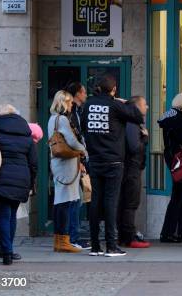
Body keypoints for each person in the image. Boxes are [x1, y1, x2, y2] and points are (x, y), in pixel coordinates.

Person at [81, 75, 144, 257]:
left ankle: (95, 246)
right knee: (110, 202)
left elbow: (84, 127)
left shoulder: (88, 105)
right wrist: (125, 103)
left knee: (95, 202)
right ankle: (111, 246)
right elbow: (138, 116)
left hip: (95, 158)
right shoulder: (116, 105)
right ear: (114, 89)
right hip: (114, 161)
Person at [0, 104, 37, 265]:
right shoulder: (26, 134)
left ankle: (7, 252)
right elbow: (33, 163)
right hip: (20, 180)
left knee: (3, 216)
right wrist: (31, 183)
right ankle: (6, 249)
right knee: (11, 216)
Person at [48, 90, 88, 254]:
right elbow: (71, 141)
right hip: (67, 165)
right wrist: (84, 150)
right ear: (64, 103)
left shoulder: (52, 119)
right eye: (70, 102)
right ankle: (64, 240)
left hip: (58, 164)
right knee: (66, 202)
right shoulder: (63, 119)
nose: (71, 105)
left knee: (60, 202)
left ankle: (59, 240)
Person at [159, 92, 182, 243]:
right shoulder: (178, 121)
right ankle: (167, 233)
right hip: (180, 162)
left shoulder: (171, 117)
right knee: (179, 195)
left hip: (174, 159)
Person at [118, 96, 150, 248]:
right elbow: (134, 147)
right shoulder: (132, 123)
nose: (147, 107)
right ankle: (129, 237)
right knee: (130, 203)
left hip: (129, 168)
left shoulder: (129, 122)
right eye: (144, 104)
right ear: (137, 107)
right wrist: (145, 138)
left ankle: (124, 236)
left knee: (126, 203)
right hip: (132, 169)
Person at [65, 82, 90, 250]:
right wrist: (82, 157)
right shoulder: (69, 114)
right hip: (73, 162)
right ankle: (72, 237)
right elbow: (73, 140)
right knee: (74, 201)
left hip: (76, 160)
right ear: (78, 94)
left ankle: (71, 236)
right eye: (84, 92)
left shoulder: (77, 111)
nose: (86, 95)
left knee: (76, 200)